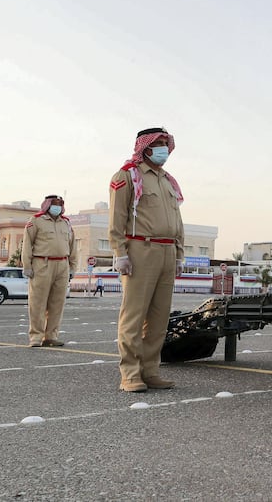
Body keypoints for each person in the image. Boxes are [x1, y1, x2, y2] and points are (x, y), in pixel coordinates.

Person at [109, 127, 185, 393]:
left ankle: (150, 370)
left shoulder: (167, 180)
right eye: (159, 143)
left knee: (159, 317)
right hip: (141, 249)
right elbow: (117, 219)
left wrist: (179, 253)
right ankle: (130, 373)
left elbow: (177, 220)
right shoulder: (128, 175)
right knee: (134, 314)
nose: (164, 147)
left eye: (167, 143)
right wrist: (120, 253)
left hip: (166, 251)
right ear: (145, 146)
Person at [21, 195, 78, 347]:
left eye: (60, 204)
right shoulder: (36, 220)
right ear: (47, 205)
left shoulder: (66, 223)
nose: (57, 207)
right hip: (42, 263)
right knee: (38, 302)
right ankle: (36, 337)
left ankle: (51, 336)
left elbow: (73, 246)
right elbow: (27, 244)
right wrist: (27, 265)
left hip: (62, 264)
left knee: (57, 303)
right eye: (54, 204)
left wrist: (73, 267)